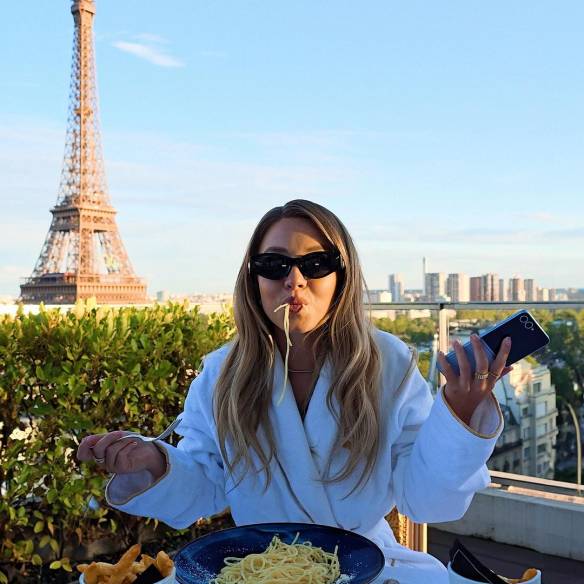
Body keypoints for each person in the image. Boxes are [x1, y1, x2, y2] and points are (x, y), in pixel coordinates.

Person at [77, 199, 512, 584]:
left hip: (365, 566)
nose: (295, 279)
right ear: (253, 278)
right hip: (256, 569)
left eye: (316, 263)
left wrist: (458, 415)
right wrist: (154, 462)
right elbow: (207, 483)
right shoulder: (220, 374)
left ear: (342, 275)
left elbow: (425, 500)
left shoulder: (388, 362)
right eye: (274, 264)